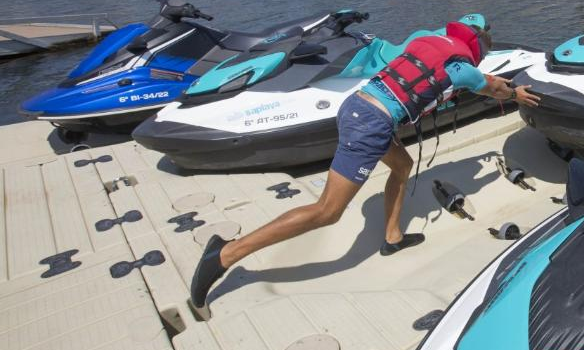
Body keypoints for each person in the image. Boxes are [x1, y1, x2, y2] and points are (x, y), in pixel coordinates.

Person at [190, 21, 540, 308]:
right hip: (370, 124)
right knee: (327, 211)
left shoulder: (423, 41)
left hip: (357, 105)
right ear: (476, 50)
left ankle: (392, 237)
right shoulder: (461, 69)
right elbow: (492, 87)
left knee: (401, 165)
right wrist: (517, 93)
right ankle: (225, 254)